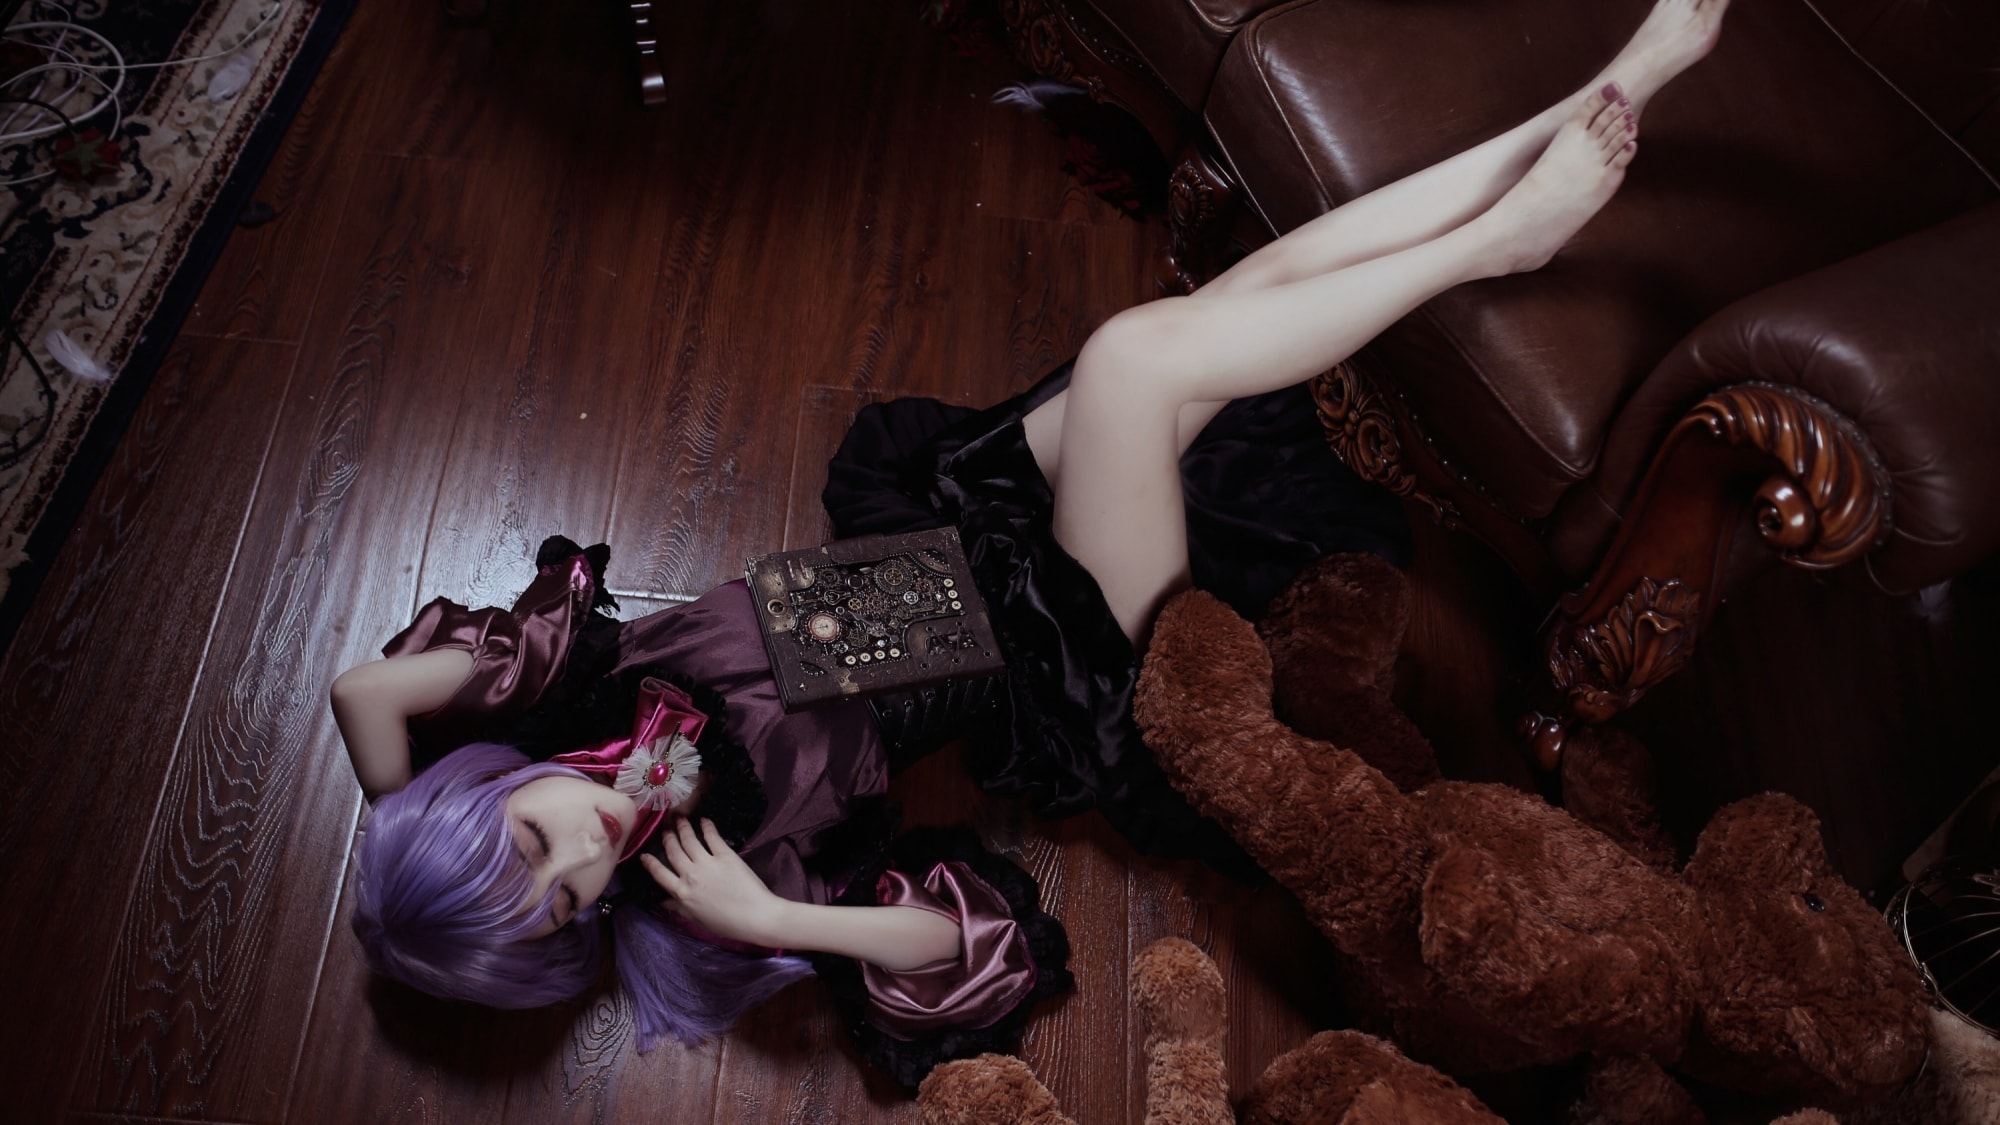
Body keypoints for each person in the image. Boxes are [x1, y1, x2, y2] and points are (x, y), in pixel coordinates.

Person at [329, 0, 1727, 1086]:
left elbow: (364, 690)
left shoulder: (563, 696)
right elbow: (967, 944)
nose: (578, 856)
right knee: (1135, 360)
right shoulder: (709, 886)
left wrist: (416, 818)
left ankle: (1596, 100)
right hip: (1058, 659)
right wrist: (776, 924)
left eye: (528, 839)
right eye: (561, 905)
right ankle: (1500, 245)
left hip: (962, 537)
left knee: (1218, 313)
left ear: (485, 790)